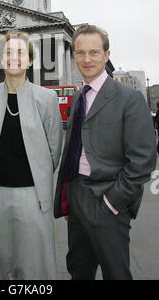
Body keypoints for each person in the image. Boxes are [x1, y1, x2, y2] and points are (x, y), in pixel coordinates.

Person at [54, 24, 157, 280]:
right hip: (77, 197)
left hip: (108, 199)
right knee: (78, 270)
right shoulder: (79, 97)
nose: (86, 59)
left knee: (116, 273)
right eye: (80, 53)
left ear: (106, 55)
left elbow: (143, 161)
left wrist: (112, 202)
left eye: (94, 52)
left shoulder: (129, 98)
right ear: (74, 55)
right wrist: (69, 199)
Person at [0, 31, 63, 280]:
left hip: (33, 196)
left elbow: (54, 148)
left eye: (21, 53)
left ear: (31, 61)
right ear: (1, 60)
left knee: (34, 266)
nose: (14, 58)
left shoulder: (47, 98)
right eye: (8, 53)